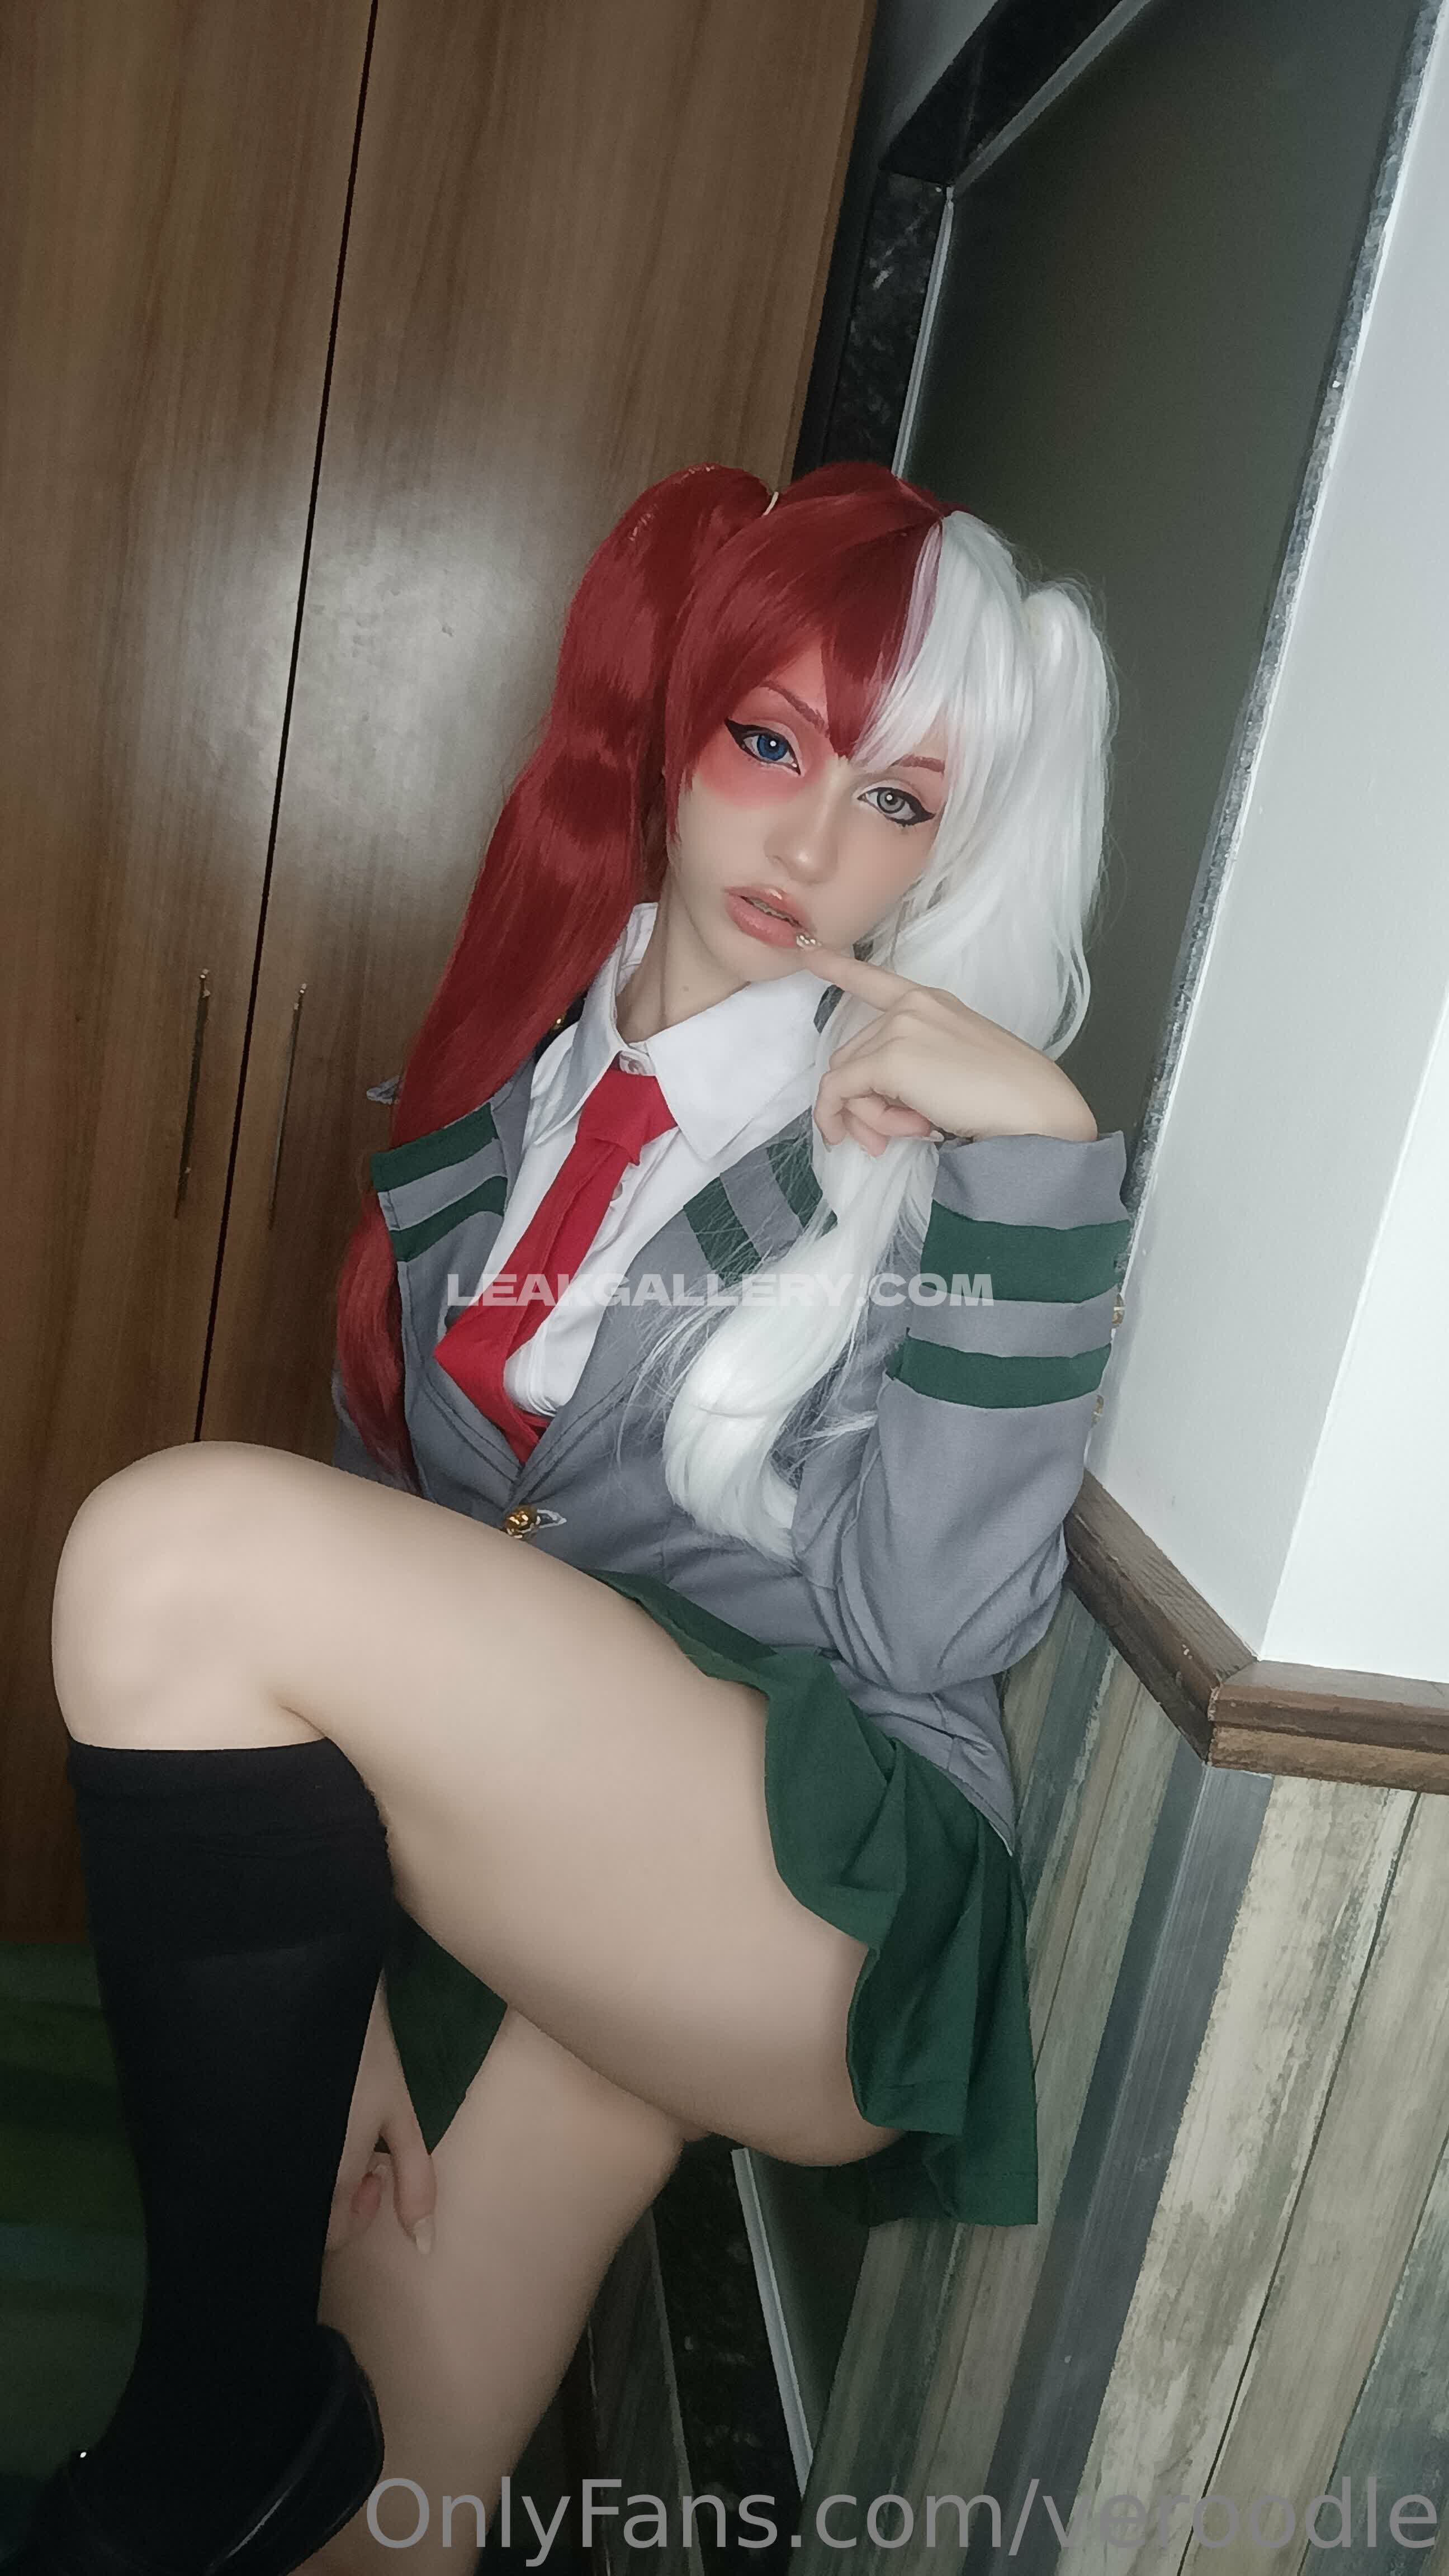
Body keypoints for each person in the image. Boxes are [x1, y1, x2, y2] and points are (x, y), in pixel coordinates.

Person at [18, 462, 1130, 2576]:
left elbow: (930, 1632)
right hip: (572, 1857)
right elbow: (401, 1513)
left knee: (170, 1551)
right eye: (773, 745)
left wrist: (1042, 1169)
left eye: (899, 801)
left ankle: (201, 2435)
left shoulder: (919, 1156)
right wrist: (321, 1975)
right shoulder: (518, 1084)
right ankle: (258, 2456)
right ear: (677, 727)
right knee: (379, 2517)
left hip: (816, 1880)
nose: (814, 844)